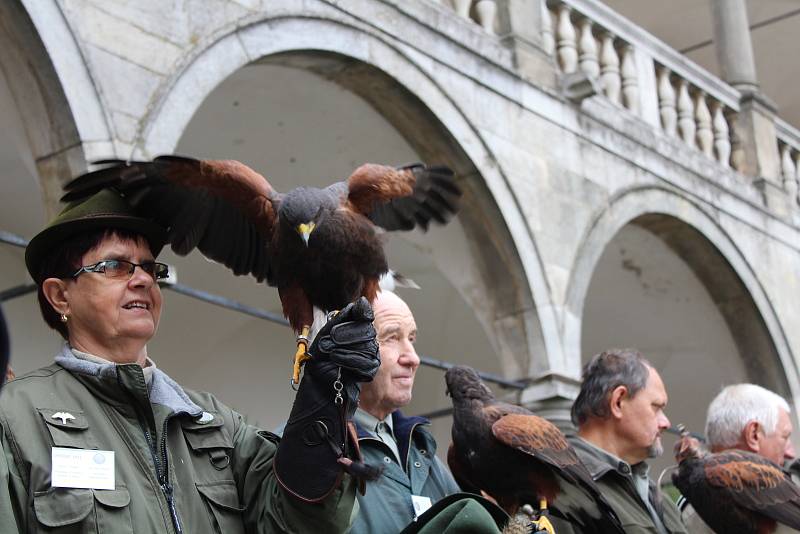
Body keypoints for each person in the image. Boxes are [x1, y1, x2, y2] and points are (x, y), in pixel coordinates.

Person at [0, 187, 380, 533]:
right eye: (115, 266)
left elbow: (298, 523)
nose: (143, 280)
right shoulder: (14, 417)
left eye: (150, 267)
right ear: (60, 297)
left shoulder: (216, 423)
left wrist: (323, 397)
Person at [349, 290, 460, 533]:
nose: (413, 358)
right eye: (391, 337)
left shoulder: (422, 450)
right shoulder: (304, 450)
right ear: (346, 348)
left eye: (411, 338)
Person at [563, 348, 687, 534]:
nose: (666, 423)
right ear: (618, 402)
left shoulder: (662, 501)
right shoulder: (561, 484)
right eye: (656, 407)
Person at [680, 383, 797, 533]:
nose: (790, 452)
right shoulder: (699, 510)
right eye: (784, 437)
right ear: (753, 434)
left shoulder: (688, 511)